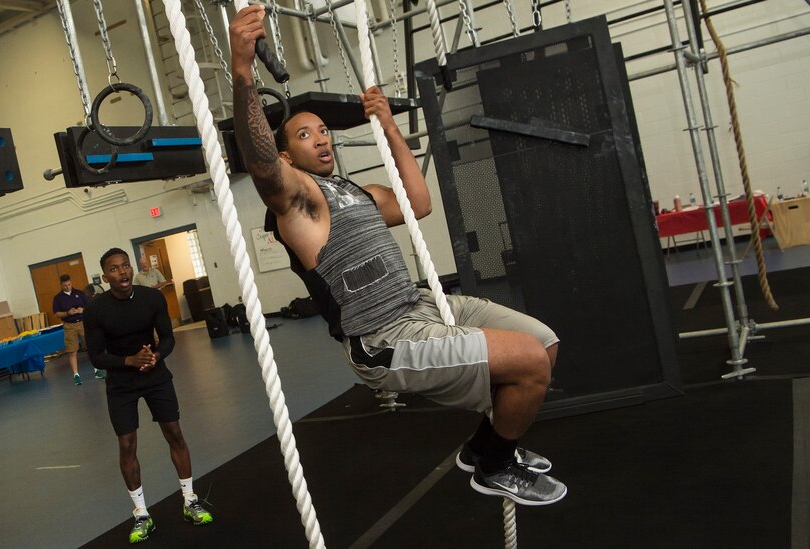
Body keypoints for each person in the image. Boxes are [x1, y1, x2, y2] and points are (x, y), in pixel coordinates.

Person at [229, 7, 567, 506]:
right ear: (286, 157)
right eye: (304, 134)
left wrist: (388, 125)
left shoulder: (355, 192)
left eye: (323, 130)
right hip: (385, 339)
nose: (320, 137)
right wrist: (242, 72)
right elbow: (259, 165)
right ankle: (495, 467)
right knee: (530, 363)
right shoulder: (299, 204)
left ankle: (482, 449)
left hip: (422, 306)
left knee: (544, 342)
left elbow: (419, 201)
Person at [84, 248, 213, 543]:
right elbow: (96, 356)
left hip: (155, 376)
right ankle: (141, 514)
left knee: (174, 432)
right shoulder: (95, 309)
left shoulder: (152, 298)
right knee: (127, 445)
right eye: (115, 269)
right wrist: (129, 361)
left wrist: (155, 356)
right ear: (106, 277)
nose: (123, 272)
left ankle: (190, 500)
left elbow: (168, 338)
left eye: (126, 266)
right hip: (121, 382)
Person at [52, 274, 105, 384]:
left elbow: (89, 307)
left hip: (82, 323)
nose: (68, 287)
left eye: (69, 284)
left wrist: (82, 310)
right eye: (65, 285)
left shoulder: (80, 294)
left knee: (91, 346)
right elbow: (57, 314)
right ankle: (76, 375)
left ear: (71, 282)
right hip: (69, 325)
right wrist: (67, 313)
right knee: (72, 351)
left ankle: (97, 370)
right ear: (61, 285)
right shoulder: (58, 298)